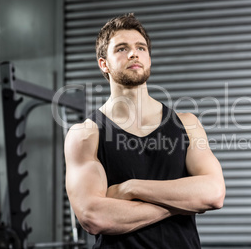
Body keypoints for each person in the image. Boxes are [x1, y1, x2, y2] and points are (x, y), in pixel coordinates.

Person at [64, 13, 225, 248]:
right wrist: (181, 202)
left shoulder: (187, 124)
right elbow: (93, 216)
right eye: (121, 48)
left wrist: (131, 188)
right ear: (103, 63)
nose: (133, 53)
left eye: (141, 47)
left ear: (149, 58)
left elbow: (214, 193)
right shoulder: (85, 134)